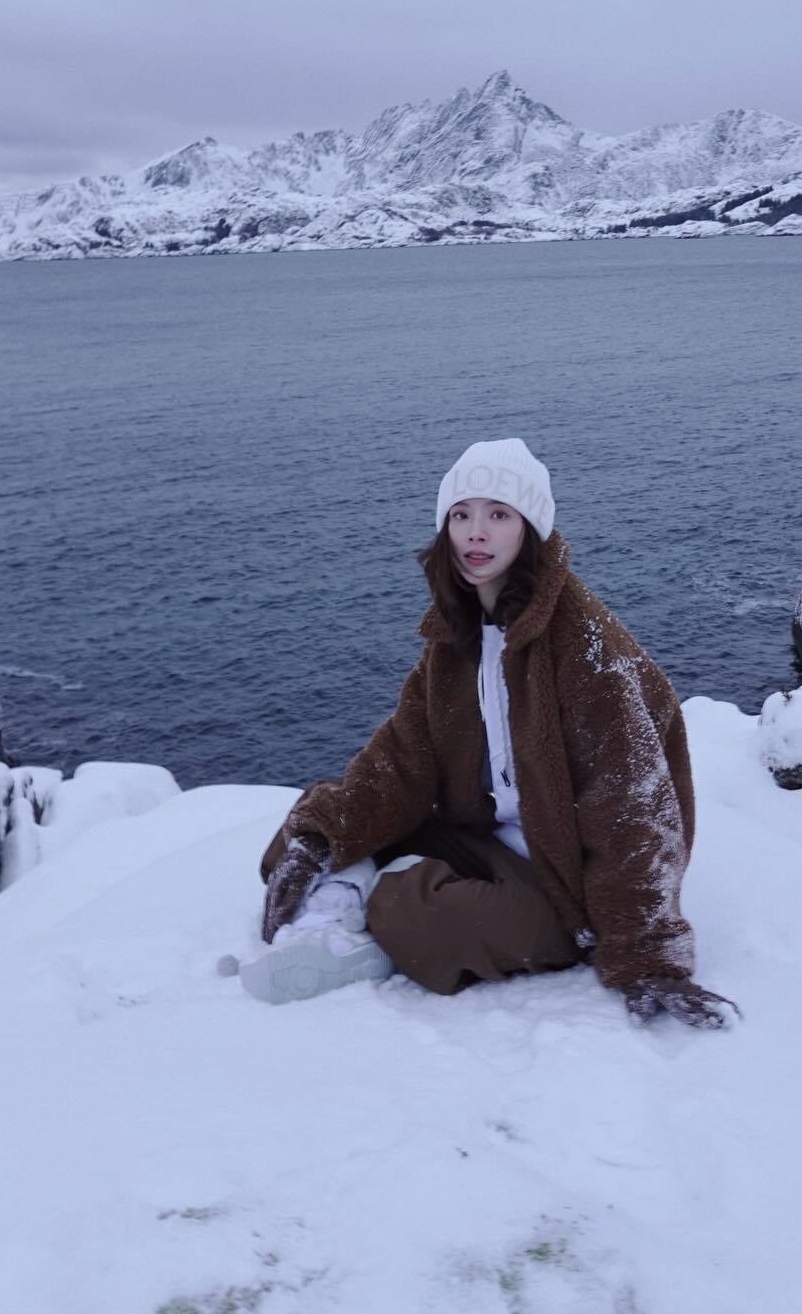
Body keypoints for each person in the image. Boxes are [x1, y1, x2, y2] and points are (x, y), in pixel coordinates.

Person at [241, 438, 738, 1030]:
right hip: (484, 838)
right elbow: (403, 757)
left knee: (418, 910)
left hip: (561, 881)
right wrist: (321, 842)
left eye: (499, 514)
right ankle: (342, 896)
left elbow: (634, 808)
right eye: (462, 515)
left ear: (531, 530)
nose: (476, 533)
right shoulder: (458, 634)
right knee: (318, 822)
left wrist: (648, 955)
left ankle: (361, 910)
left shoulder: (584, 647)